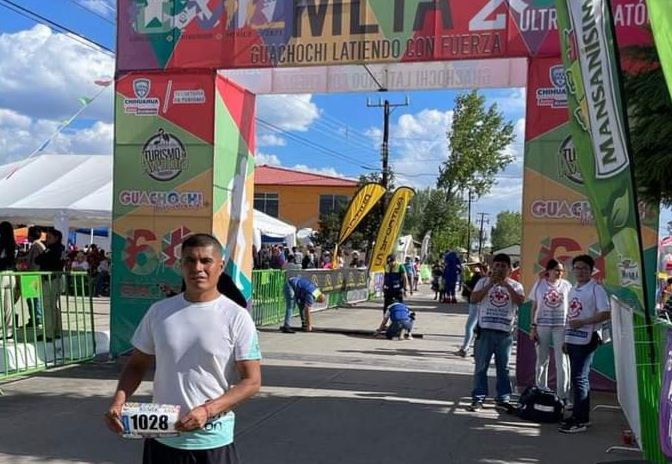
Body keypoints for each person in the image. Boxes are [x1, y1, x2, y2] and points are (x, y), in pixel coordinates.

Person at [104, 233, 261, 463]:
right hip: (162, 439)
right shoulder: (159, 312)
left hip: (212, 441)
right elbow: (136, 365)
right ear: (181, 265)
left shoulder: (236, 317)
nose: (197, 268)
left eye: (206, 261)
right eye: (190, 260)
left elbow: (252, 381)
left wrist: (208, 411)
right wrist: (118, 401)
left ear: (220, 266)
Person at [559, 254, 610, 434]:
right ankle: (581, 416)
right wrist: (566, 338)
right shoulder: (573, 289)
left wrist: (584, 322)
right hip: (572, 338)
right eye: (577, 268)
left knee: (579, 378)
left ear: (591, 271)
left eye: (584, 269)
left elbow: (605, 313)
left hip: (588, 337)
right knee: (578, 378)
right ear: (573, 270)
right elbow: (569, 316)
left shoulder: (596, 288)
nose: (580, 271)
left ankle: (580, 420)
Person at [467, 253, 524, 412]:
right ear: (492, 268)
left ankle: (503, 398)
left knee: (503, 368)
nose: (499, 269)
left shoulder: (516, 285)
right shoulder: (482, 281)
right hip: (485, 331)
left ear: (510, 269)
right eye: (496, 266)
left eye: (503, 266)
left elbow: (520, 302)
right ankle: (478, 398)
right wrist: (489, 285)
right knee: (481, 367)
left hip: (504, 333)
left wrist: (507, 286)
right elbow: (473, 299)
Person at [529, 259, 572, 403]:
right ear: (549, 270)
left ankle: (563, 395)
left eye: (561, 270)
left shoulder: (567, 286)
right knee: (542, 359)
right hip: (542, 325)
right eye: (556, 270)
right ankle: (541, 390)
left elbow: (572, 307)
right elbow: (534, 307)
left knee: (563, 361)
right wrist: (533, 327)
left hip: (561, 326)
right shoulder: (539, 284)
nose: (559, 273)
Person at [35, 229, 66, 341]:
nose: (47, 239)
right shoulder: (62, 248)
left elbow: (39, 260)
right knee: (53, 306)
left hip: (51, 279)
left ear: (56, 237)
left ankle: (48, 334)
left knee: (48, 307)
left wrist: (44, 255)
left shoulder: (53, 249)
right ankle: (57, 331)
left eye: (49, 237)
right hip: (58, 279)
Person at [456, 263, 487, 357]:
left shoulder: (480, 278)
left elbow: (474, 291)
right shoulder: (484, 278)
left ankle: (465, 348)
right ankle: (472, 348)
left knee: (469, 327)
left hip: (476, 304)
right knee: (475, 328)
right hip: (477, 304)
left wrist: (466, 286)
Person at [24, 226, 45, 327]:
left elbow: (34, 263)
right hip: (34, 275)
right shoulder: (39, 245)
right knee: (34, 298)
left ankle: (37, 318)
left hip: (32, 275)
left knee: (33, 299)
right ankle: (35, 318)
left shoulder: (36, 246)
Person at [0, 221, 17, 338]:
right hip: (11, 274)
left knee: (0, 304)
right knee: (9, 304)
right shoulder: (13, 244)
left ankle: (0, 330)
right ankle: (9, 331)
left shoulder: (1, 243)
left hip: (1, 274)